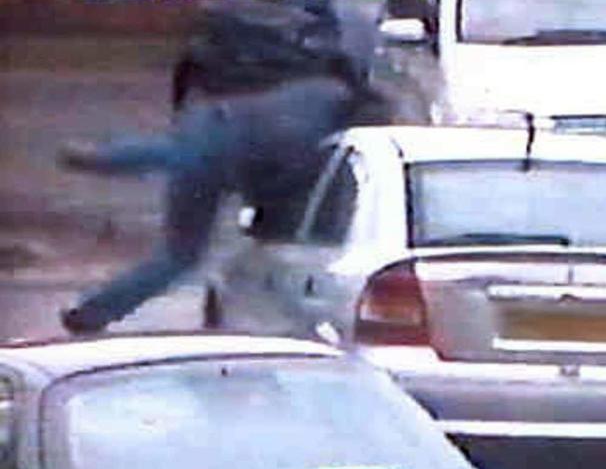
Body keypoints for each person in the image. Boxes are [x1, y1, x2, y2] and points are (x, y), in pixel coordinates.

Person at [57, 75, 379, 333]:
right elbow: (271, 189)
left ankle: (106, 157)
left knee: (176, 153)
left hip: (209, 118)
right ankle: (92, 312)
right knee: (179, 256)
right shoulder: (308, 141)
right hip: (217, 162)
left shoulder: (325, 89)